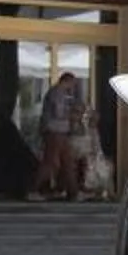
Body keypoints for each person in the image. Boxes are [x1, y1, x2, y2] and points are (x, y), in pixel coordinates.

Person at [38, 71, 86, 201]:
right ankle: (34, 188)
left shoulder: (62, 94)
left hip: (62, 131)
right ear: (67, 81)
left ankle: (73, 192)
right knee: (51, 162)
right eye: (72, 84)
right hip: (55, 131)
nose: (73, 87)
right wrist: (73, 113)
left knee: (67, 162)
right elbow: (59, 113)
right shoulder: (57, 93)